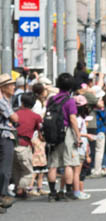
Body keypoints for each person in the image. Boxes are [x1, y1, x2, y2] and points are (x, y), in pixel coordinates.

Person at [43, 73, 82, 202]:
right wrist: (78, 135)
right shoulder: (70, 101)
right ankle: (68, 191)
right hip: (66, 133)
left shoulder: (51, 100)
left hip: (52, 133)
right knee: (68, 163)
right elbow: (72, 119)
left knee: (53, 164)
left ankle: (52, 193)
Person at [11, 92, 41, 200]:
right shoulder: (36, 117)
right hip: (24, 145)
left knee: (16, 169)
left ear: (22, 102)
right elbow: (40, 133)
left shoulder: (14, 113)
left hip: (11, 144)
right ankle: (20, 189)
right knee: (28, 172)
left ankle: (20, 190)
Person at [0, 77, 15, 210]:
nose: (13, 87)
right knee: (5, 168)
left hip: (4, 135)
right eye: (10, 85)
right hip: (4, 136)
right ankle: (2, 196)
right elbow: (14, 117)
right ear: (3, 88)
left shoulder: (6, 101)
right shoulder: (2, 101)